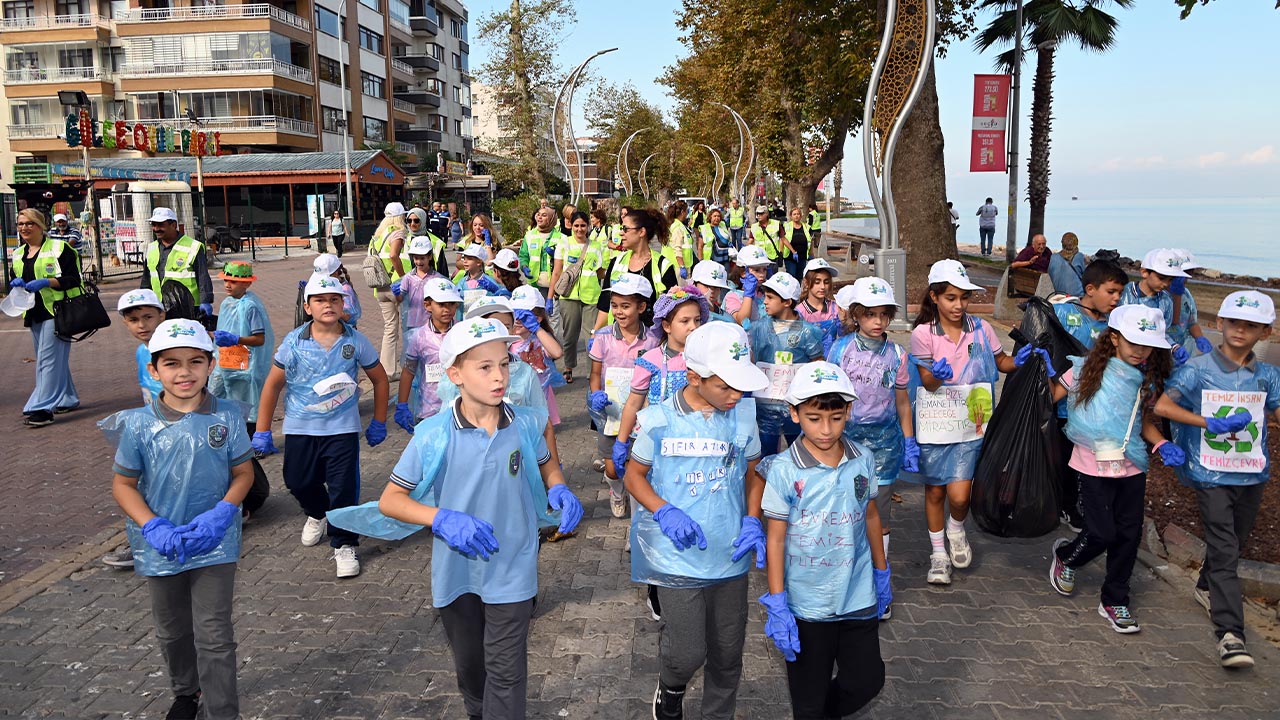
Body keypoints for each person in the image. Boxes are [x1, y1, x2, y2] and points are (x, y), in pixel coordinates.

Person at [328, 317, 583, 720]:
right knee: (472, 671)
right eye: (485, 367)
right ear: (455, 374)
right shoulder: (433, 434)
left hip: (514, 564)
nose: (499, 376)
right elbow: (392, 501)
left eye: (504, 364)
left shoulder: (526, 423)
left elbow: (546, 463)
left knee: (507, 672)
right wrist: (442, 518)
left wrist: (558, 486)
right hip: (457, 573)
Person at [105, 318, 254, 720]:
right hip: (159, 543)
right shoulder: (137, 424)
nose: (184, 372)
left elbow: (244, 473)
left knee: (215, 635)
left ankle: (223, 711)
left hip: (215, 540)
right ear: (153, 370)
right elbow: (123, 485)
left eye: (194, 361)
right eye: (171, 363)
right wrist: (152, 525)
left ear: (211, 364)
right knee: (171, 629)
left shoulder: (227, 416)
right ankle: (186, 691)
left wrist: (223, 512)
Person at [622, 321, 769, 720]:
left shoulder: (743, 415)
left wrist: (753, 519)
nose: (735, 394)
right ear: (693, 376)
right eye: (725, 386)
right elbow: (634, 475)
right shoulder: (659, 420)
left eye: (741, 386)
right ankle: (671, 687)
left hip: (730, 553)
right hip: (678, 557)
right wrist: (663, 509)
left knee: (727, 652)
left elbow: (754, 472)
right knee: (687, 651)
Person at [758, 362, 888, 719]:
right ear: (794, 414)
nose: (826, 430)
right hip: (806, 604)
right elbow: (776, 538)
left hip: (857, 594)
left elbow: (871, 514)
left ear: (848, 411)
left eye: (835, 417)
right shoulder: (784, 469)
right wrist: (778, 600)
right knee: (808, 698)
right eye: (814, 418)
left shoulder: (863, 459)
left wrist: (882, 572)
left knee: (867, 680)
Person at [1154, 291, 1277, 667]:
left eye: (1251, 325)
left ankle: (1207, 585)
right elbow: (1162, 405)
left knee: (1234, 542)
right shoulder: (1198, 369)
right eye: (1234, 322)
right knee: (1225, 547)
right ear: (1219, 324)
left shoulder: (1268, 376)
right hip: (1210, 472)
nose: (1240, 330)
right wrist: (1210, 422)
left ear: (1265, 331)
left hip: (1252, 472)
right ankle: (1230, 634)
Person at [1047, 305, 1181, 634]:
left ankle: (1115, 598)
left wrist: (1161, 443)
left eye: (1146, 345)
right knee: (1101, 531)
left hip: (1131, 465)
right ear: (1114, 338)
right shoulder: (1083, 371)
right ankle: (1067, 556)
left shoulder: (1147, 380)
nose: (1139, 351)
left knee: (1129, 534)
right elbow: (1049, 397)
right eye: (1133, 342)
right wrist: (1034, 375)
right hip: (1092, 464)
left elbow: (1145, 422)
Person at [253, 274, 391, 578]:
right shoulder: (294, 341)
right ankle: (317, 513)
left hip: (342, 430)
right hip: (300, 428)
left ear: (343, 304)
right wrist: (263, 429)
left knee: (344, 488)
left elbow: (380, 379)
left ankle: (344, 543)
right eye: (320, 300)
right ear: (307, 306)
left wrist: (379, 421)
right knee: (297, 481)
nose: (327, 305)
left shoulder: (355, 340)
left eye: (334, 299)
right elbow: (273, 385)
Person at [908, 259, 1019, 585]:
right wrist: (935, 376)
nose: (958, 305)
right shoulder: (922, 334)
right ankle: (938, 554)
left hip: (973, 423)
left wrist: (1022, 361)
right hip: (937, 423)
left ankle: (956, 529)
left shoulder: (982, 329)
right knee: (935, 492)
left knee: (960, 495)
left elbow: (1001, 363)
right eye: (951, 298)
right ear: (935, 298)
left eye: (963, 298)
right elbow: (927, 381)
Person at [826, 277, 913, 614]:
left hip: (886, 442)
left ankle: (879, 578)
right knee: (847, 508)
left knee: (880, 511)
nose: (878, 322)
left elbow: (902, 400)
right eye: (871, 315)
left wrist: (909, 439)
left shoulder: (898, 355)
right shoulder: (841, 349)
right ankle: (845, 578)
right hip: (847, 440)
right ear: (858, 315)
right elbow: (828, 398)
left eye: (884, 315)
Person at [1050, 260, 1128, 530]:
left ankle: (1073, 504)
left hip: (1094, 410)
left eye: (1120, 292)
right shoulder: (1061, 313)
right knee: (1061, 460)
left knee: (1084, 461)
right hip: (1060, 405)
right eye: (1112, 291)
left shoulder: (1114, 326)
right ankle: (1064, 505)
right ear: (1090, 289)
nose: (1117, 298)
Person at [100, 289, 169, 570]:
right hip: (152, 427)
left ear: (162, 316)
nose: (142, 325)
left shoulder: (175, 347)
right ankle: (143, 539)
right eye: (134, 320)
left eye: (148, 317)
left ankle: (148, 541)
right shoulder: (142, 351)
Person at [588, 274, 657, 518]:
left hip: (642, 411)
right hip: (612, 412)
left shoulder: (653, 339)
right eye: (614, 305)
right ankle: (616, 491)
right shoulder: (603, 337)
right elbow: (595, 373)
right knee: (613, 468)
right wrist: (595, 394)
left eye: (625, 306)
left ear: (641, 307)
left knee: (637, 465)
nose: (618, 312)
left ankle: (637, 508)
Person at [9, 208, 82, 426]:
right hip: (34, 313)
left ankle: (41, 407)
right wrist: (16, 282)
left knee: (47, 360)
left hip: (59, 312)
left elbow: (74, 279)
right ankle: (68, 398)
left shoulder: (61, 249)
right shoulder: (18, 254)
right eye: (21, 224)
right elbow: (16, 275)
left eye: (29, 223)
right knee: (52, 359)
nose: (24, 228)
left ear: (41, 226)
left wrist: (47, 282)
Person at [749, 273, 825, 456]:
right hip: (764, 406)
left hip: (795, 406)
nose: (764, 302)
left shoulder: (808, 332)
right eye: (764, 296)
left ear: (787, 302)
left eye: (770, 297)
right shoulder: (758, 328)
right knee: (765, 455)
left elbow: (817, 365)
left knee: (800, 452)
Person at [594, 207, 679, 331]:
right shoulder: (616, 262)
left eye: (625, 229)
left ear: (641, 232)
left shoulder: (663, 266)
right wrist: (595, 332)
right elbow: (605, 305)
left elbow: (671, 311)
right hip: (617, 340)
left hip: (651, 341)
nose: (620, 233)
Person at [394, 277, 462, 429]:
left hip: (461, 406)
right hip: (430, 408)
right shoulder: (419, 337)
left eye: (452, 304)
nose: (447, 309)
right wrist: (402, 404)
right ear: (428, 305)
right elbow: (408, 371)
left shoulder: (462, 332)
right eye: (441, 304)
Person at [549, 210, 605, 384]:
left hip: (592, 296)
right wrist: (550, 297)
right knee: (570, 336)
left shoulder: (596, 246)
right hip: (569, 296)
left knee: (592, 336)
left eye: (583, 225)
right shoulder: (564, 244)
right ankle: (568, 367)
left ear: (588, 226)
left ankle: (592, 373)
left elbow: (600, 272)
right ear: (570, 226)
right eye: (576, 226)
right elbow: (557, 271)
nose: (580, 229)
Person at [1120, 248, 1192, 364]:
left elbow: (1162, 333)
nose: (1165, 284)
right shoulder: (1125, 292)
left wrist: (1174, 347)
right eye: (1161, 278)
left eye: (1170, 280)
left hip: (1148, 358)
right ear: (1144, 272)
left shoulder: (1166, 301)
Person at [141, 207, 214, 317]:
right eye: (154, 225)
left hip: (188, 307)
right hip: (160, 306)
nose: (156, 229)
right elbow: (147, 278)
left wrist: (205, 300)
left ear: (174, 225)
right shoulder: (152, 248)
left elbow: (202, 275)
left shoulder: (193, 247)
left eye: (160, 225)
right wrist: (143, 297)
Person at [509, 285, 566, 424]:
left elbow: (557, 352)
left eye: (524, 316)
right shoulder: (507, 341)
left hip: (539, 401)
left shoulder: (540, 341)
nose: (518, 319)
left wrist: (537, 328)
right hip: (514, 402)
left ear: (538, 318)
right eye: (514, 313)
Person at [369, 202, 410, 378]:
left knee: (389, 328)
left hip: (380, 287)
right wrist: (402, 277)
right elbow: (394, 255)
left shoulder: (376, 236)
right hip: (396, 286)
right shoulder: (398, 232)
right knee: (409, 325)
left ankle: (388, 370)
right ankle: (408, 364)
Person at [1168, 249, 1213, 355]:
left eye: (1189, 273)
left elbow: (1191, 322)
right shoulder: (1159, 296)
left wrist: (1199, 338)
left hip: (1184, 349)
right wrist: (1176, 295)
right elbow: (1173, 321)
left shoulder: (1186, 294)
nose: (1186, 279)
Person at [519, 206, 564, 297]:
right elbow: (523, 255)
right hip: (535, 284)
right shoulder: (529, 235)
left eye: (544, 215)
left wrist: (556, 255)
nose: (539, 217)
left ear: (551, 218)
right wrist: (524, 266)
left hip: (556, 285)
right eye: (538, 215)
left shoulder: (561, 237)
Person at [724, 245, 772, 327]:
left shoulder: (763, 293)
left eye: (764, 269)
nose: (762, 274)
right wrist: (748, 295)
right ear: (743, 273)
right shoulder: (733, 296)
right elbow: (742, 321)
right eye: (756, 270)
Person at [796, 257, 840, 342]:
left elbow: (844, 333)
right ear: (806, 283)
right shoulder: (799, 313)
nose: (822, 287)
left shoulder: (835, 308)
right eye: (817, 282)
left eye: (826, 282)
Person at [313, 254, 361, 327]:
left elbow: (350, 316)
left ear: (335, 274)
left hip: (343, 333)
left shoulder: (344, 289)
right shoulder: (320, 286)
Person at [750, 205, 790, 272]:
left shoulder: (776, 224)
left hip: (773, 257)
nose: (758, 216)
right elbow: (750, 240)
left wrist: (792, 251)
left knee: (772, 278)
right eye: (757, 214)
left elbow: (783, 239)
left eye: (761, 213)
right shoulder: (754, 227)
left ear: (766, 214)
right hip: (760, 257)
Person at [1047, 231, 1086, 296]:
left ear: (1062, 243)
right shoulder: (1079, 256)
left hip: (1058, 294)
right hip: (1077, 295)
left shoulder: (1053, 257)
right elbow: (1084, 276)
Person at [666, 200, 694, 280]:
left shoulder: (680, 225)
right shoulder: (677, 227)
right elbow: (677, 248)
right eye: (687, 211)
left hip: (684, 265)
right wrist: (682, 266)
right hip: (679, 267)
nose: (687, 213)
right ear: (682, 212)